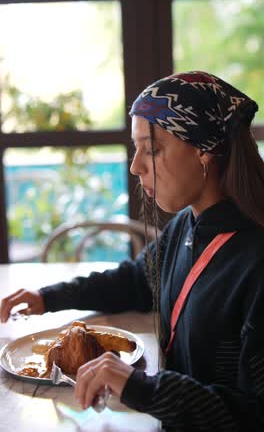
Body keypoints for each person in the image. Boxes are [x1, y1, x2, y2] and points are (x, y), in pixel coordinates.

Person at [1, 70, 264, 432]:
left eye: (151, 149)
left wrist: (141, 387)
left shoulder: (255, 260)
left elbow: (255, 414)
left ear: (204, 150)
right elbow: (135, 280)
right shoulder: (186, 228)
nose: (135, 165)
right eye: (135, 148)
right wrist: (47, 297)